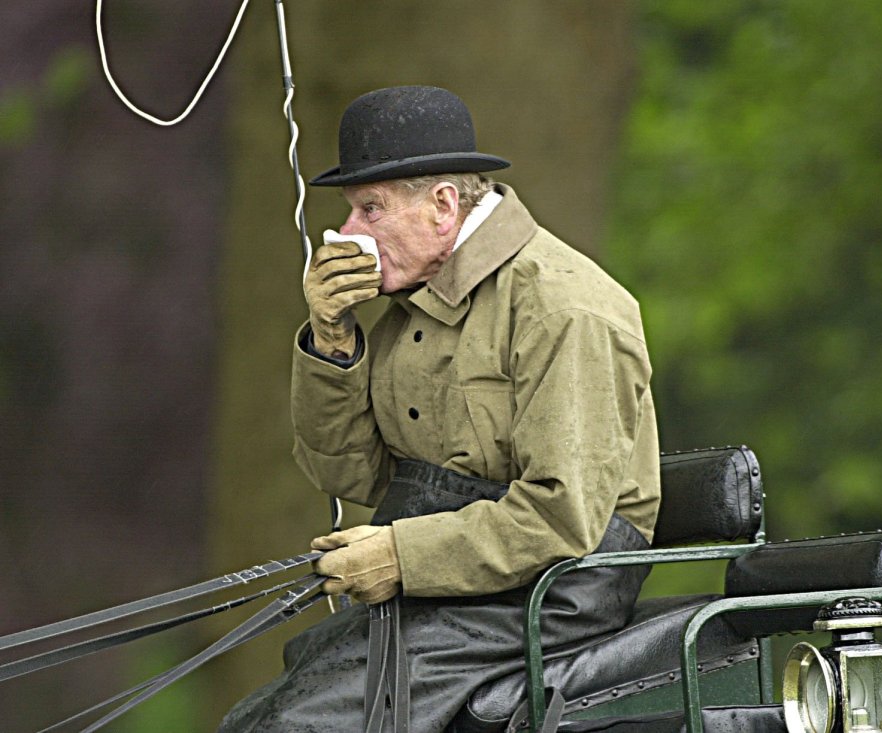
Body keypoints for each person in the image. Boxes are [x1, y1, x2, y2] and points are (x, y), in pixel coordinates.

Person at [218, 85, 661, 732]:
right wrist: (333, 337)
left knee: (300, 725)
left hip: (551, 592)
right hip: (455, 578)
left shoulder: (565, 307)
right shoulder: (411, 308)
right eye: (351, 211)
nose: (348, 234)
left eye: (371, 208)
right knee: (257, 715)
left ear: (444, 206)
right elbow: (355, 477)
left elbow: (562, 520)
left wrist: (399, 555)